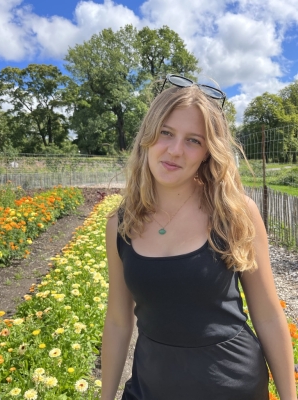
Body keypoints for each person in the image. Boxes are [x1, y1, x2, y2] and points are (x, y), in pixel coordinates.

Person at [101, 74, 297, 400]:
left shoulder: (235, 214)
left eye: (194, 140)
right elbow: (119, 321)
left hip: (234, 387)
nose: (176, 150)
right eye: (166, 133)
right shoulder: (121, 224)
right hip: (149, 388)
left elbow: (267, 314)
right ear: (147, 136)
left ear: (208, 151)